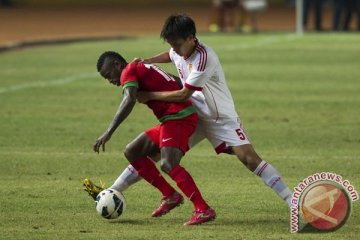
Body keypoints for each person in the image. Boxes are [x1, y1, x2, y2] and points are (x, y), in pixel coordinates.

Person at [85, 13, 292, 218]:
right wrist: (148, 60)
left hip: (218, 118)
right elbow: (170, 55)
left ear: (191, 38)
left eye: (176, 44)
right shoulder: (180, 48)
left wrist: (148, 95)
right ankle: (112, 191)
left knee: (249, 159)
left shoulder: (204, 58)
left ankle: (293, 202)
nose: (174, 50)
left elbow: (184, 93)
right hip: (192, 113)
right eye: (171, 44)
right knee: (155, 155)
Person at [85, 51, 216, 226]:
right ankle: (170, 195)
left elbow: (129, 98)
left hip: (178, 117)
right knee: (133, 151)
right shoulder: (142, 67)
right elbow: (176, 81)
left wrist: (109, 132)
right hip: (171, 119)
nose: (110, 80)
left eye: (109, 75)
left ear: (117, 64)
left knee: (168, 164)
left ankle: (203, 209)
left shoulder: (128, 71)